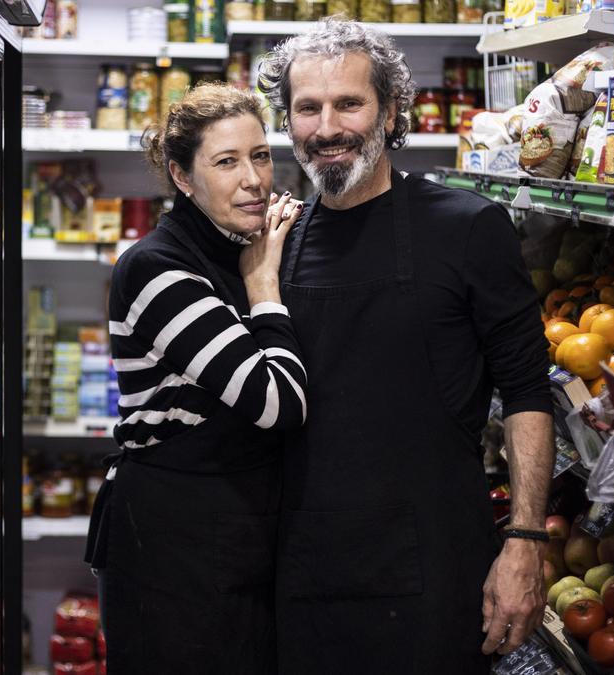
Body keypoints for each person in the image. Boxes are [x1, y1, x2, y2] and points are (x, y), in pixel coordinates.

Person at [257, 19, 555, 673]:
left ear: (391, 112)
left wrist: (527, 540)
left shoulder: (469, 227)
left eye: (348, 103)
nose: (327, 127)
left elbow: (528, 390)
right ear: (288, 121)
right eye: (307, 107)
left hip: (435, 571)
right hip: (306, 575)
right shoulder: (275, 246)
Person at [84, 83, 306, 674]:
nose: (254, 179)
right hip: (169, 543)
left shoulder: (246, 246)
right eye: (226, 162)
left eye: (260, 156)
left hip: (234, 532)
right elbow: (276, 402)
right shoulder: (157, 266)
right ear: (183, 178)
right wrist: (264, 292)